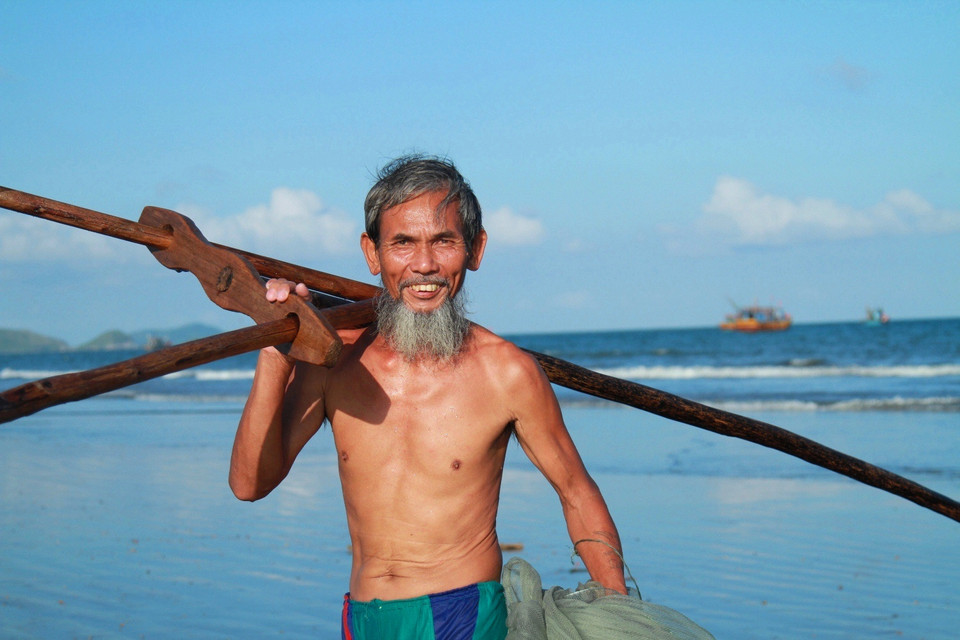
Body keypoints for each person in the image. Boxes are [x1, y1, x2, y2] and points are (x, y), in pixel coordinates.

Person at [229, 155, 626, 639]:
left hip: (462, 614)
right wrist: (275, 348)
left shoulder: (507, 371)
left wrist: (619, 611)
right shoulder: (335, 361)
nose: (424, 265)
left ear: (475, 250)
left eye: (443, 241)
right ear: (372, 254)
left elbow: (576, 490)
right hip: (364, 618)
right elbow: (250, 483)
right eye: (402, 243)